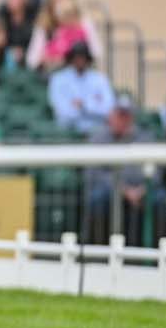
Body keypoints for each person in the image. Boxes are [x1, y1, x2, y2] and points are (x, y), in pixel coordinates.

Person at [86, 95, 147, 245]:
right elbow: (94, 174)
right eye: (120, 115)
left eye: (126, 116)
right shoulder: (98, 138)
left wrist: (142, 189)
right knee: (98, 198)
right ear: (111, 116)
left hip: (139, 192)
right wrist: (123, 190)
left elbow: (152, 172)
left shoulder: (144, 138)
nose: (123, 120)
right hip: (111, 193)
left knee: (159, 199)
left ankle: (143, 255)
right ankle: (98, 253)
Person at [49, 41, 114, 134]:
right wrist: (94, 106)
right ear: (71, 58)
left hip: (97, 131)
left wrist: (84, 105)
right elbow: (62, 112)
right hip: (68, 131)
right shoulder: (58, 79)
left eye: (82, 56)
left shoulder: (100, 79)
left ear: (88, 58)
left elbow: (108, 109)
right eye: (76, 56)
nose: (79, 60)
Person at [0, 0, 39, 70]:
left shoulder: (35, 15)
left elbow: (38, 45)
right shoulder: (0, 15)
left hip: (30, 64)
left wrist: (24, 53)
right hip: (4, 64)